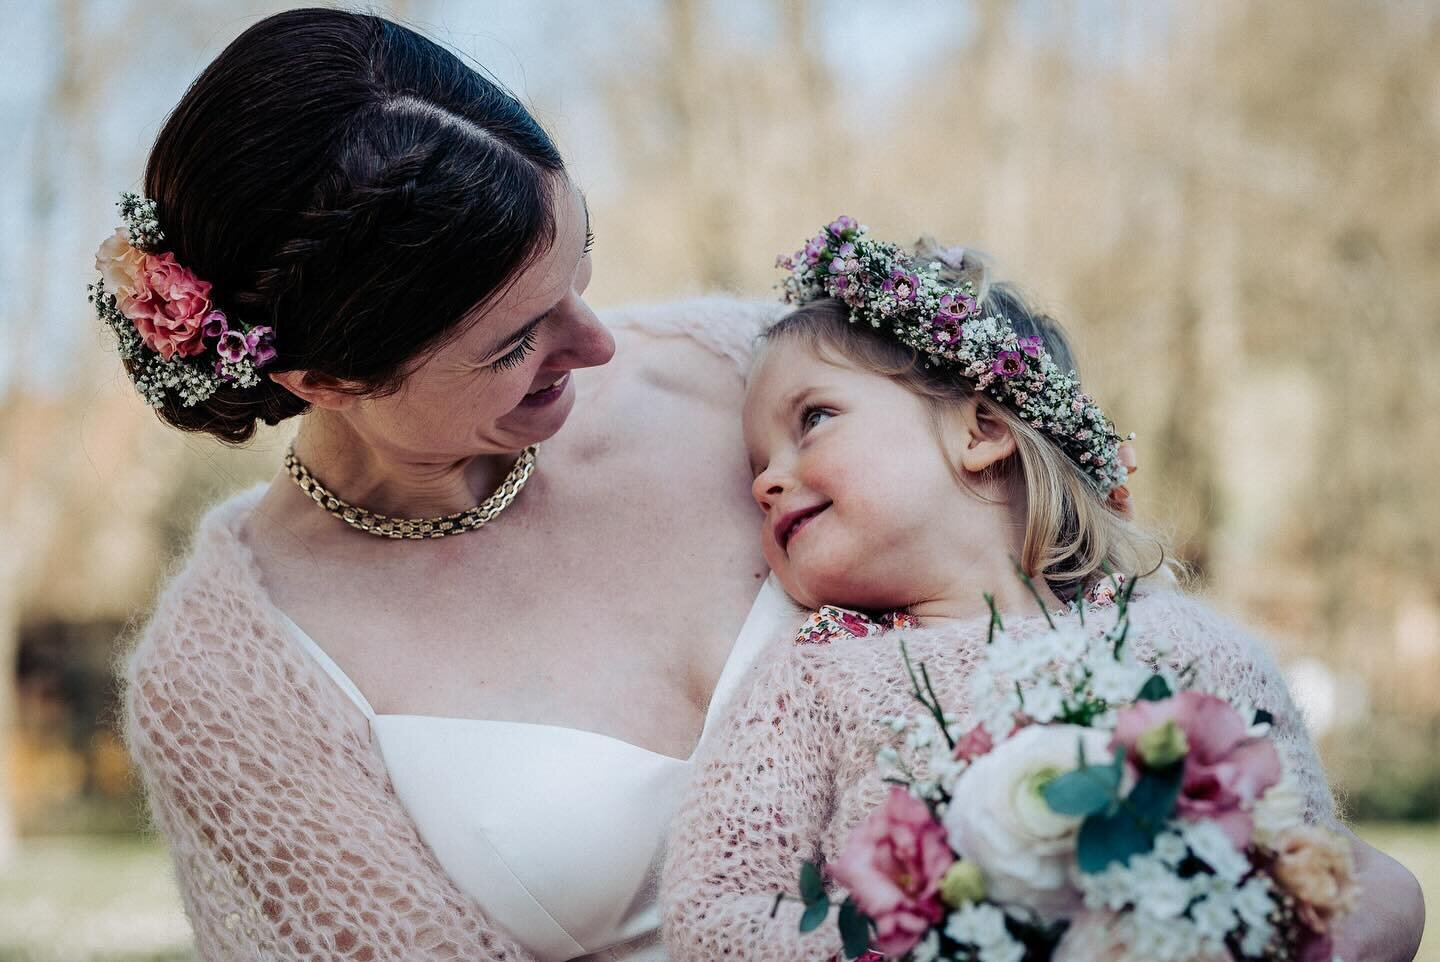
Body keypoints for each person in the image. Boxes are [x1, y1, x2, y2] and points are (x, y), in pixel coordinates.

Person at [115, 9, 789, 961]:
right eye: (515, 342)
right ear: (327, 381)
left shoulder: (756, 372)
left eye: (578, 260)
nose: (596, 344)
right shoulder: (227, 681)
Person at [658, 222, 1425, 962]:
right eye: (757, 462)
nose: (766, 479)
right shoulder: (808, 681)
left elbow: (1307, 873)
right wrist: (936, 940)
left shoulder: (1193, 649)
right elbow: (714, 913)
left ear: (982, 429)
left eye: (814, 419)